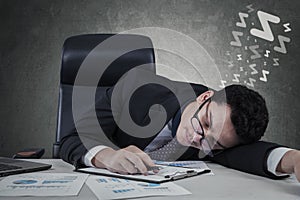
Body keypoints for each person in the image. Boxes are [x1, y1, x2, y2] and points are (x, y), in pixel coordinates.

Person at [59, 68, 300, 181]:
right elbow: (72, 139)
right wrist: (108, 156)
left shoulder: (218, 137)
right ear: (204, 97)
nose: (198, 139)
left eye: (212, 143)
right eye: (204, 122)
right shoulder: (137, 89)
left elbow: (249, 153)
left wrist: (293, 159)